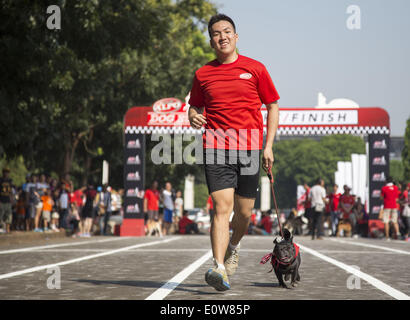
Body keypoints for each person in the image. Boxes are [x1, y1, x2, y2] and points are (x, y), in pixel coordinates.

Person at [188, 14, 280, 291]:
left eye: (227, 31)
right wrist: (193, 115)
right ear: (211, 41)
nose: (222, 36)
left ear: (236, 36)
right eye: (216, 33)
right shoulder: (203, 74)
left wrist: (269, 145)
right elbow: (194, 107)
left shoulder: (256, 69)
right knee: (221, 209)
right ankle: (218, 267)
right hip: (215, 146)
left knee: (244, 213)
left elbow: (273, 105)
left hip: (250, 146)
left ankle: (235, 245)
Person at [0, 168, 13, 233]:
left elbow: (11, 191)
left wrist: (12, 198)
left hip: (8, 200)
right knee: (1, 214)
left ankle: (8, 229)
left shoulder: (10, 181)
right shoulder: (0, 180)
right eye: (5, 172)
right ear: (3, 173)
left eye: (7, 172)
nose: (6, 174)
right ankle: (1, 228)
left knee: (9, 215)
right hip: (1, 200)